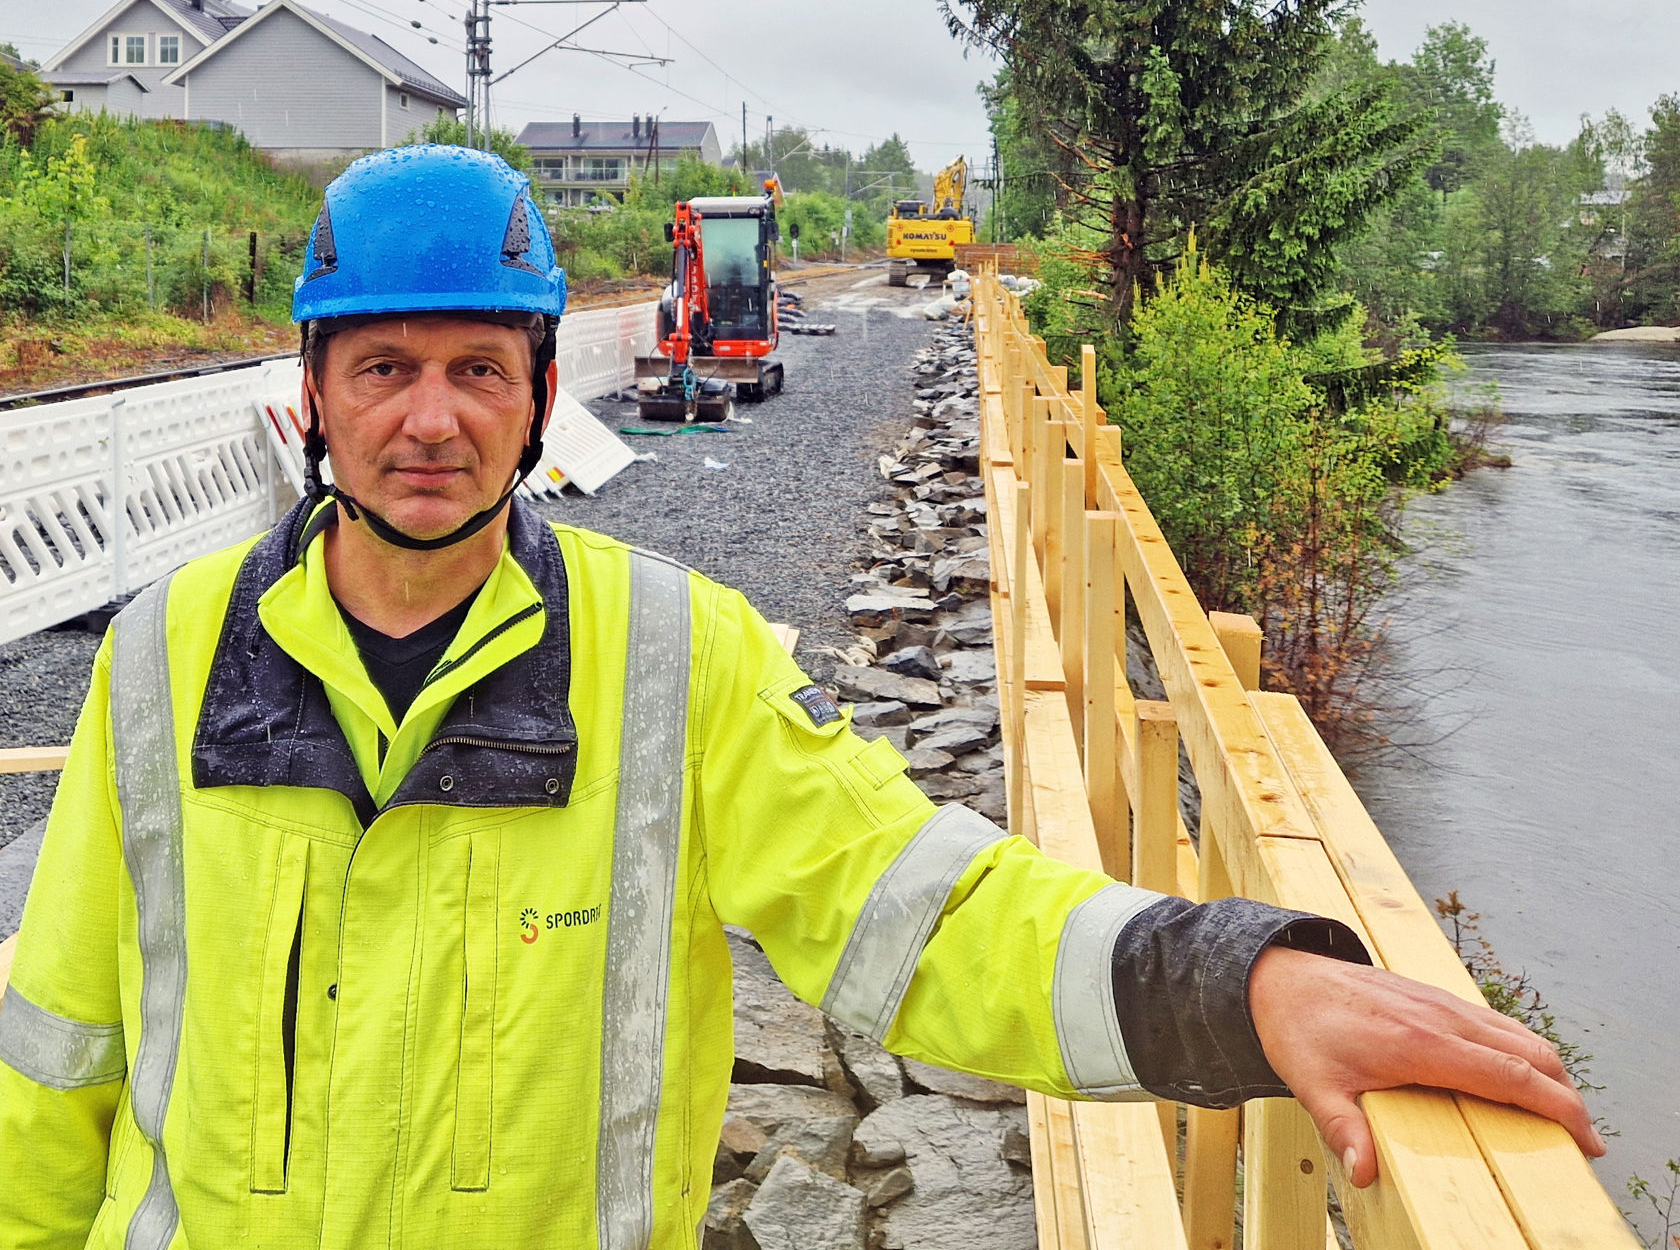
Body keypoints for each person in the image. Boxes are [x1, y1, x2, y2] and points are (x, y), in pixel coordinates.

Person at [0, 147, 1601, 1249]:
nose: (432, 419)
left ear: (543, 391)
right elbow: (51, 1064)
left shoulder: (668, 662)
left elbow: (923, 911)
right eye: (384, 369)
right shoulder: (165, 659)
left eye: (479, 369)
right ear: (314, 392)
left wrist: (1238, 985)